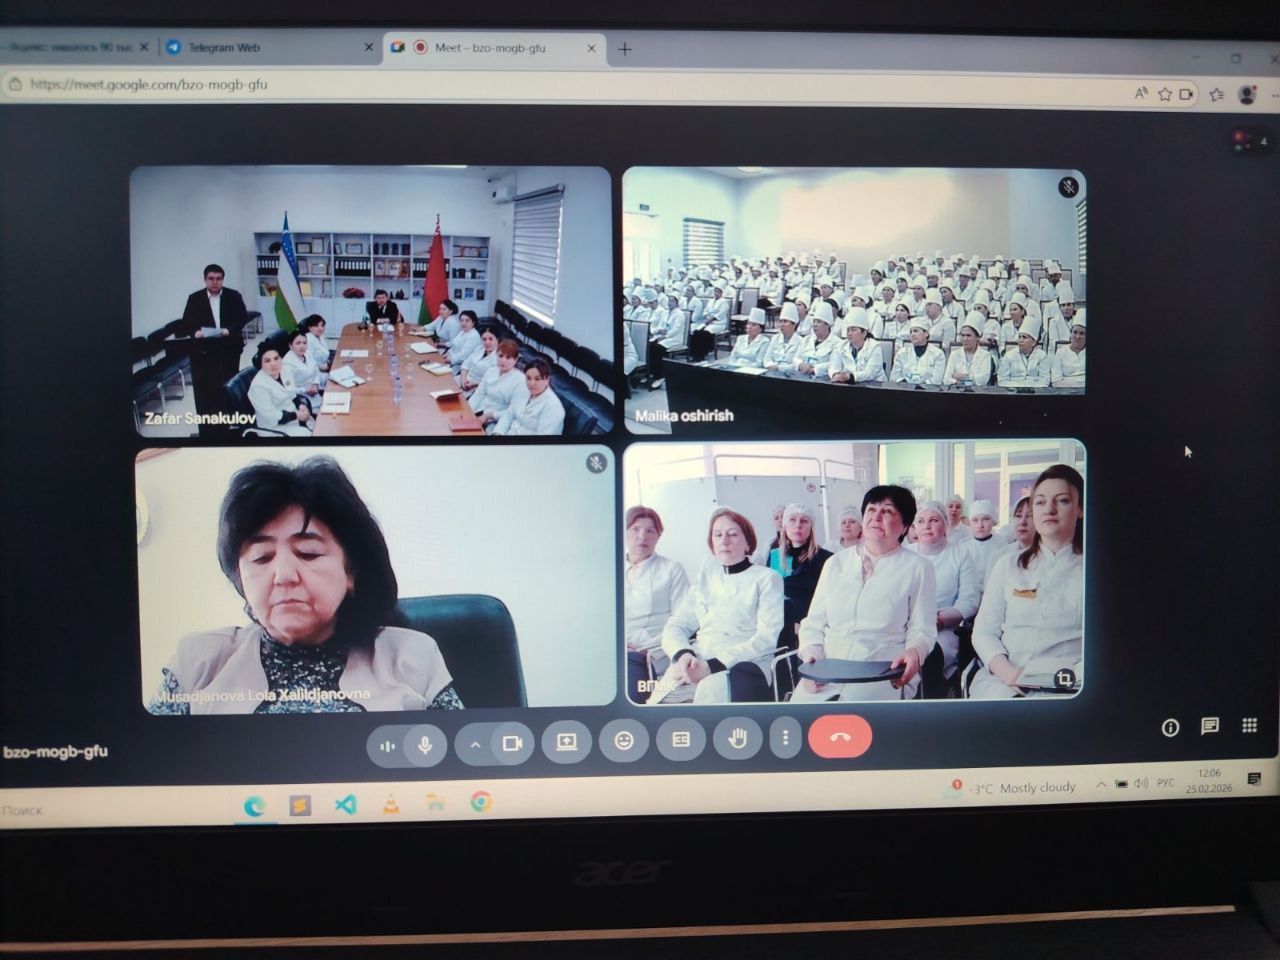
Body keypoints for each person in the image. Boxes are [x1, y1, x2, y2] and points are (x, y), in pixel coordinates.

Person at [146, 457, 463, 714]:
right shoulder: (197, 664)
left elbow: (462, 759)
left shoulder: (414, 658)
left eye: (308, 553)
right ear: (240, 579)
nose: (283, 575)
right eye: (261, 557)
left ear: (351, 572)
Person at [791, 486, 937, 702]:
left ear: (905, 526)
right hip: (827, 668)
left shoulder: (918, 567)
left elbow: (923, 629)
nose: (876, 517)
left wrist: (915, 651)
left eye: (887, 511)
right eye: (871, 509)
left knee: (854, 718)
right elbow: (814, 622)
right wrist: (812, 656)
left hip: (882, 669)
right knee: (800, 717)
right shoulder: (835, 563)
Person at [967, 465, 1084, 699]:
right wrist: (1011, 675)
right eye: (1040, 502)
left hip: (1071, 685)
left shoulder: (1093, 570)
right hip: (1007, 681)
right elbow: (984, 632)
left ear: (1080, 509)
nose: (1048, 509)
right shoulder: (1008, 565)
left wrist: (1072, 681)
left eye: (1062, 500)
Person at [659, 508, 784, 704]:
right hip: (697, 659)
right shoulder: (705, 578)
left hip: (744, 662)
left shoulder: (767, 578)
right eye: (717, 535)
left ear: (748, 543)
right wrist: (683, 654)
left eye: (732, 534)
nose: (724, 541)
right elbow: (677, 625)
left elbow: (766, 637)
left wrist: (712, 666)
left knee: (706, 703)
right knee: (661, 705)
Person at [907, 501, 980, 695]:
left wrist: (939, 619)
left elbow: (970, 600)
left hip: (944, 629)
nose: (927, 526)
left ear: (945, 525)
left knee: (930, 656)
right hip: (906, 626)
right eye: (920, 521)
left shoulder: (960, 555)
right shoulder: (905, 555)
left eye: (934, 520)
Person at [622, 506, 690, 704]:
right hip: (616, 651)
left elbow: (683, 621)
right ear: (624, 532)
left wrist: (646, 648)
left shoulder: (672, 569)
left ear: (658, 535)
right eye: (635, 529)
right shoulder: (611, 569)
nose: (642, 536)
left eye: (650, 530)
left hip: (652, 652)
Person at [767, 504, 834, 697]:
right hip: (780, 627)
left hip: (810, 629)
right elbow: (770, 595)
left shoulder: (825, 559)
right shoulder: (774, 557)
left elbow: (824, 599)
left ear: (811, 526)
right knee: (782, 679)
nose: (798, 525)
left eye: (804, 521)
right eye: (792, 520)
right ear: (784, 525)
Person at [180, 264, 250, 404]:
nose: (215, 282)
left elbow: (242, 318)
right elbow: (187, 322)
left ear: (223, 280)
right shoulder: (194, 298)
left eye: (219, 279)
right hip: (206, 349)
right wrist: (195, 332)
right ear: (205, 280)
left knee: (230, 381)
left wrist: (229, 330)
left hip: (230, 346)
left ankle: (231, 410)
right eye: (211, 278)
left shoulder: (234, 296)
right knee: (210, 385)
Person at [247, 339, 313, 436]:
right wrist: (296, 415)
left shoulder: (284, 371)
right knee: (308, 434)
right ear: (261, 364)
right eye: (267, 361)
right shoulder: (258, 386)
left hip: (292, 417)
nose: (273, 364)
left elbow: (291, 392)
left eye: (276, 358)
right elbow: (272, 416)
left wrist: (300, 405)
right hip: (274, 428)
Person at [494, 358, 565, 435]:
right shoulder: (523, 390)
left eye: (537, 379)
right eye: (528, 378)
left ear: (547, 380)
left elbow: (542, 437)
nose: (532, 383)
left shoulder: (554, 407)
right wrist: (498, 433)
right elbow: (509, 414)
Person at [470, 339, 528, 433]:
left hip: (499, 420)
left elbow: (513, 412)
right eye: (500, 356)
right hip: (482, 411)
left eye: (508, 357)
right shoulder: (491, 371)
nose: (503, 360)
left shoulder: (521, 380)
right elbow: (478, 394)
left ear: (516, 359)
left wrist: (489, 415)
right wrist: (468, 411)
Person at [827, 309, 886, 384]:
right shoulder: (840, 346)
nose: (849, 333)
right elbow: (833, 367)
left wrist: (849, 376)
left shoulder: (875, 347)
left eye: (853, 330)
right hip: (848, 385)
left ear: (864, 333)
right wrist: (836, 375)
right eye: (848, 330)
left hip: (874, 385)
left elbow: (870, 373)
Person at [962, 499, 1005, 592]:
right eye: (975, 520)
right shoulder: (963, 547)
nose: (980, 525)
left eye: (986, 519)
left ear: (993, 521)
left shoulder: (1002, 545)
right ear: (970, 522)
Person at [998, 316, 1051, 387]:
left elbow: (1044, 381)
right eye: (1019, 337)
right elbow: (1002, 381)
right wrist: (1019, 387)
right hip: (1013, 391)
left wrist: (1030, 388)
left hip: (1036, 392)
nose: (1020, 340)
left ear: (1033, 342)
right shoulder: (1009, 355)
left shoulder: (1042, 356)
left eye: (1024, 337)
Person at [944, 314, 995, 386]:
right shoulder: (954, 354)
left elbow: (983, 380)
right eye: (962, 335)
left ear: (977, 337)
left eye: (968, 335)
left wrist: (963, 378)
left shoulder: (985, 355)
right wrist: (970, 380)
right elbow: (946, 379)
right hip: (957, 391)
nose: (965, 339)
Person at [892, 320, 945, 385]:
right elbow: (894, 377)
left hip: (928, 390)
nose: (912, 334)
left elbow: (937, 380)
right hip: (904, 389)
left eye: (916, 331)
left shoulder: (938, 354)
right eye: (911, 332)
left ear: (926, 333)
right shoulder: (902, 353)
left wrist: (920, 387)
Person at [793, 307, 837, 378]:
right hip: (803, 377)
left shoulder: (837, 343)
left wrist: (814, 369)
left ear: (828, 325)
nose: (815, 325)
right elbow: (796, 357)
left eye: (819, 322)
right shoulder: (807, 339)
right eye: (814, 322)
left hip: (824, 379)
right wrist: (800, 364)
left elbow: (835, 364)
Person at [281, 328, 325, 398]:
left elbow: (316, 370)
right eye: (298, 343)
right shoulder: (286, 365)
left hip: (316, 386)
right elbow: (289, 388)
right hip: (303, 395)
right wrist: (305, 390)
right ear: (290, 346)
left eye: (304, 343)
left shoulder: (307, 352)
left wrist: (316, 383)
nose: (302, 346)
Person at [459, 326, 499, 395]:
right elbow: (465, 364)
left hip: (478, 389)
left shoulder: (499, 358)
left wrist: (475, 384)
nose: (487, 342)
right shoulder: (479, 349)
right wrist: (463, 381)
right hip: (463, 380)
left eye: (491, 339)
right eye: (484, 339)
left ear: (497, 340)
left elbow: (493, 383)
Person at [1050, 312, 1087, 387]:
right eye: (1075, 332)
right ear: (1070, 334)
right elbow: (1055, 380)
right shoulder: (1061, 352)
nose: (1078, 336)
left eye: (1082, 333)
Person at [443, 310, 482, 375]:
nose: (463, 323)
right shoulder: (462, 332)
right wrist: (446, 354)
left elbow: (463, 357)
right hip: (451, 361)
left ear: (473, 323)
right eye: (461, 320)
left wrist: (449, 359)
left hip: (459, 367)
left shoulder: (474, 336)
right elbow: (454, 346)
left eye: (467, 321)